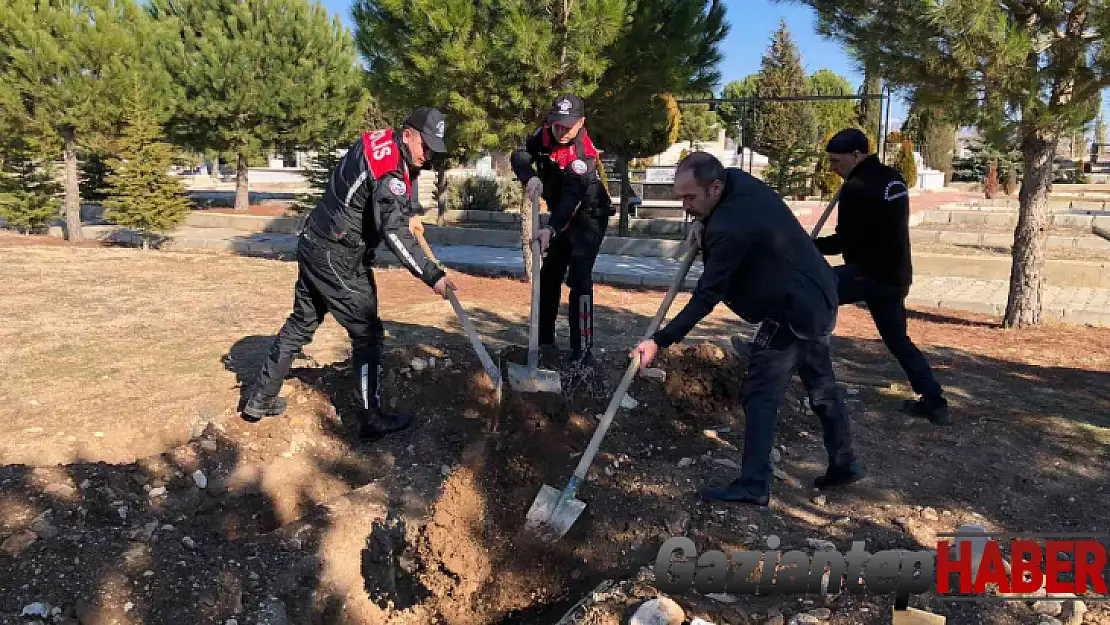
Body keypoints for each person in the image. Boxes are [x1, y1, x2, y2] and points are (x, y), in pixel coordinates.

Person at [630, 152, 865, 506]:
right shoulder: (737, 182)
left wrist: (660, 341)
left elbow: (707, 294)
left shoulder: (729, 227)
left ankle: (754, 484)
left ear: (715, 187)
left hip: (792, 310)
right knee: (820, 386)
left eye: (690, 197)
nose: (685, 206)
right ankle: (844, 461)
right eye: (680, 197)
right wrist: (703, 224)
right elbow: (720, 221)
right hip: (818, 294)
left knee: (760, 393)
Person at [241, 107, 458, 440]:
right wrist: (433, 276)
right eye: (424, 146)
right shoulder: (390, 175)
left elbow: (377, 195)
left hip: (315, 238)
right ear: (409, 133)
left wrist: (407, 213)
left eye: (433, 150)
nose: (427, 156)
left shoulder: (379, 140)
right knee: (368, 334)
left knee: (301, 322)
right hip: (338, 256)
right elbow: (395, 233)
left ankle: (260, 399)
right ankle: (371, 420)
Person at [817, 128, 949, 425]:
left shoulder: (857, 187)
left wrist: (806, 246)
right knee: (898, 340)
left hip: (868, 274)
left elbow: (843, 242)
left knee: (807, 292)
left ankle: (767, 353)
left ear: (856, 155)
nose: (833, 169)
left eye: (837, 162)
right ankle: (934, 401)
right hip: (896, 275)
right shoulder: (893, 178)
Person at [511, 93, 614, 369]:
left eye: (568, 125)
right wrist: (529, 176)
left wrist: (550, 229)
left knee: (579, 279)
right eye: (557, 123)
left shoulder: (583, 156)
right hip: (560, 214)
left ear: (581, 123)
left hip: (589, 217)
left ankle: (582, 352)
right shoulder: (544, 135)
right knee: (548, 277)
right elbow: (519, 155)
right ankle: (544, 345)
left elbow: (571, 199)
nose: (561, 130)